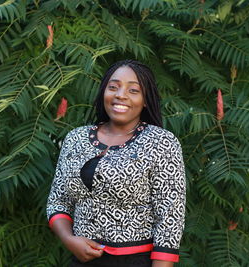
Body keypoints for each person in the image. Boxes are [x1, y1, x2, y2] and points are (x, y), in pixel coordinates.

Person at [46, 60, 186, 267]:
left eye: (133, 90)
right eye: (113, 87)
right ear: (104, 92)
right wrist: (68, 239)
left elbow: (170, 219)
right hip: (82, 260)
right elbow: (58, 201)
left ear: (146, 100)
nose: (121, 95)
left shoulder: (161, 142)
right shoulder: (76, 138)